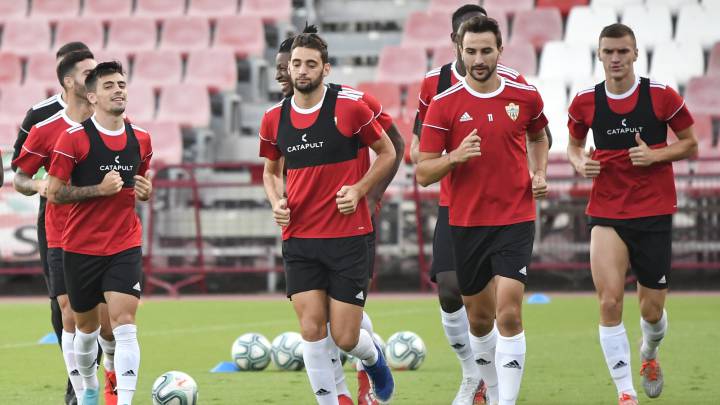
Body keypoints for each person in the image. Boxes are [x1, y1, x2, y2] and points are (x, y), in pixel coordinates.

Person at [410, 5, 549, 404]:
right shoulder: (439, 96)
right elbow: (422, 168)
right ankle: (477, 378)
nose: (478, 59)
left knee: (508, 312)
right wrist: (453, 157)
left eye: (486, 50)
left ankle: (505, 400)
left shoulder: (523, 92)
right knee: (474, 312)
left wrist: (538, 173)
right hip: (463, 215)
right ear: (457, 45)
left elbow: (540, 136)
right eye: (471, 50)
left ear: (500, 50)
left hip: (514, 215)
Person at [260, 32, 396, 405]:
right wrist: (276, 201)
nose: (300, 71)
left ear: (326, 68)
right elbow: (270, 172)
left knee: (346, 337)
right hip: (300, 238)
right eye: (296, 64)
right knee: (311, 329)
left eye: (310, 64)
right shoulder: (274, 118)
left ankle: (374, 358)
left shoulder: (351, 107)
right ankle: (334, 399)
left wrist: (361, 189)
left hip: (348, 236)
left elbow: (388, 152)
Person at [566, 23, 697, 405]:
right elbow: (574, 148)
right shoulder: (585, 102)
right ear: (600, 55)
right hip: (607, 210)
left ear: (636, 54)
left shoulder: (661, 96)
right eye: (608, 51)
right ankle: (625, 393)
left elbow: (691, 143)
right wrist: (579, 165)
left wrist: (656, 154)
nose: (616, 58)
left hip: (654, 212)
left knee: (652, 312)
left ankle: (650, 354)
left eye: (623, 51)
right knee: (609, 302)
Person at [12, 49, 122, 404]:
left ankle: (109, 376)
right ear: (69, 80)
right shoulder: (42, 119)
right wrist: (41, 185)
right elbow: (20, 172)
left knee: (106, 315)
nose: (95, 76)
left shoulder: (108, 114)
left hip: (104, 224)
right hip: (58, 220)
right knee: (64, 308)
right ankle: (78, 388)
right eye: (87, 71)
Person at [47, 61, 153, 405]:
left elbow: (141, 181)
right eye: (109, 86)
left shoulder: (142, 138)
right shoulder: (73, 138)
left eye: (121, 83)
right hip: (80, 247)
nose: (118, 89)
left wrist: (145, 190)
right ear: (91, 96)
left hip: (124, 243)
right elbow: (55, 191)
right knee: (86, 330)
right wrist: (98, 189)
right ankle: (89, 390)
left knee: (124, 324)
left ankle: (123, 401)